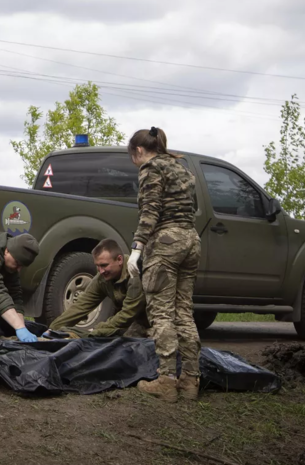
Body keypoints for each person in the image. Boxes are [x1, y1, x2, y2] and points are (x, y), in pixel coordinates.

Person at [127, 127, 201, 402]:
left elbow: (150, 210)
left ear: (138, 150)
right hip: (191, 241)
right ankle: (190, 381)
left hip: (166, 244)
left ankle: (167, 380)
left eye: (132, 155)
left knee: (162, 313)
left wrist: (137, 249)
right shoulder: (181, 168)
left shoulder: (151, 168)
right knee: (184, 311)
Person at [46, 239, 149, 339]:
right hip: (136, 320)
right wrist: (53, 329)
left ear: (119, 260)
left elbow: (129, 313)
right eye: (98, 266)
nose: (101, 271)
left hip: (156, 318)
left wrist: (97, 330)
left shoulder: (135, 273)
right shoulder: (102, 278)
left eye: (104, 265)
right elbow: (81, 306)